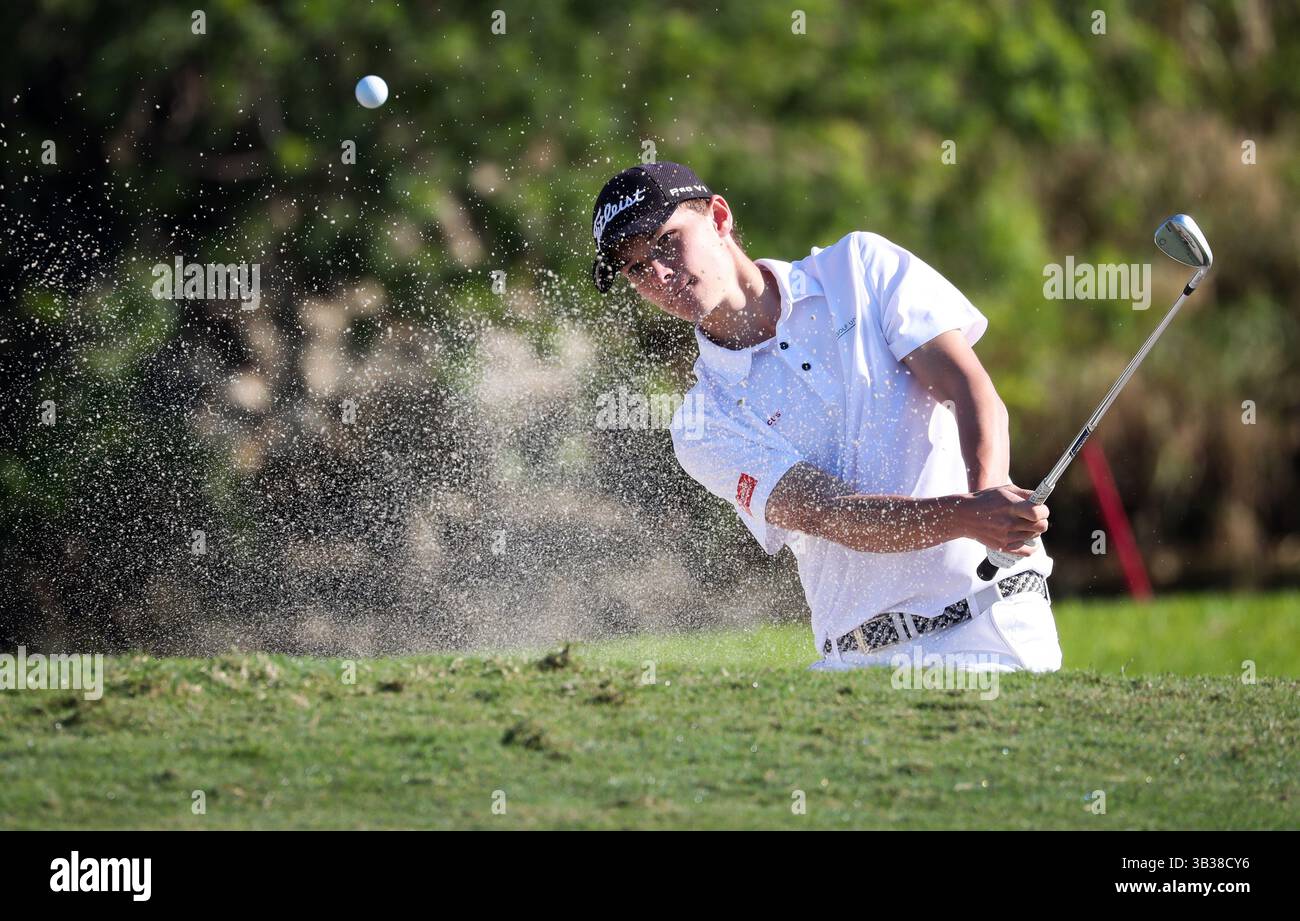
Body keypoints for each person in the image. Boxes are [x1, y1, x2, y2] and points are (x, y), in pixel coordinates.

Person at [590, 162, 1061, 673]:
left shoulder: (859, 267)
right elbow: (829, 513)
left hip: (997, 627)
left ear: (719, 218)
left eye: (665, 242)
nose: (658, 274)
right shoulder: (702, 423)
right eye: (635, 269)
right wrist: (969, 516)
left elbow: (967, 388)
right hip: (863, 663)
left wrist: (990, 500)